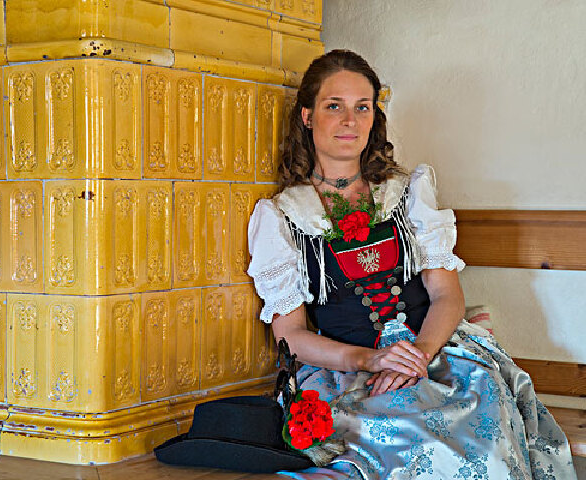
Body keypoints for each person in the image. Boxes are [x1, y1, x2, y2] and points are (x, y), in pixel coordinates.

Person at [247, 49, 577, 479]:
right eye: (334, 106)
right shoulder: (283, 217)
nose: (350, 121)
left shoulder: (405, 195)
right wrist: (369, 360)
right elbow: (290, 335)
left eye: (362, 107)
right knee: (409, 443)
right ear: (307, 117)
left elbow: (446, 295)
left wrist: (419, 355)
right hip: (350, 369)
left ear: (374, 117)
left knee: (481, 441)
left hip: (438, 352)